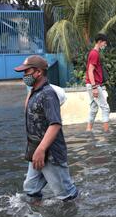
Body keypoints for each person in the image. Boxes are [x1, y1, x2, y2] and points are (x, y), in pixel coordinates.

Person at [15, 55, 78, 202]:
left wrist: (41, 149)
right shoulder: (35, 92)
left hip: (50, 154)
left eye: (26, 72)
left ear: (38, 72)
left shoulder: (48, 94)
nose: (24, 76)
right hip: (36, 152)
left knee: (66, 195)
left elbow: (55, 124)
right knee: (31, 190)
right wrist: (35, 150)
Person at [86, 33, 110, 132]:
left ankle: (88, 130)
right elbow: (90, 70)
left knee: (93, 108)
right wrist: (94, 87)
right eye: (104, 43)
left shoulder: (93, 53)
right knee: (105, 108)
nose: (105, 45)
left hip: (91, 84)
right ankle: (106, 132)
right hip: (94, 84)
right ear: (99, 42)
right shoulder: (95, 53)